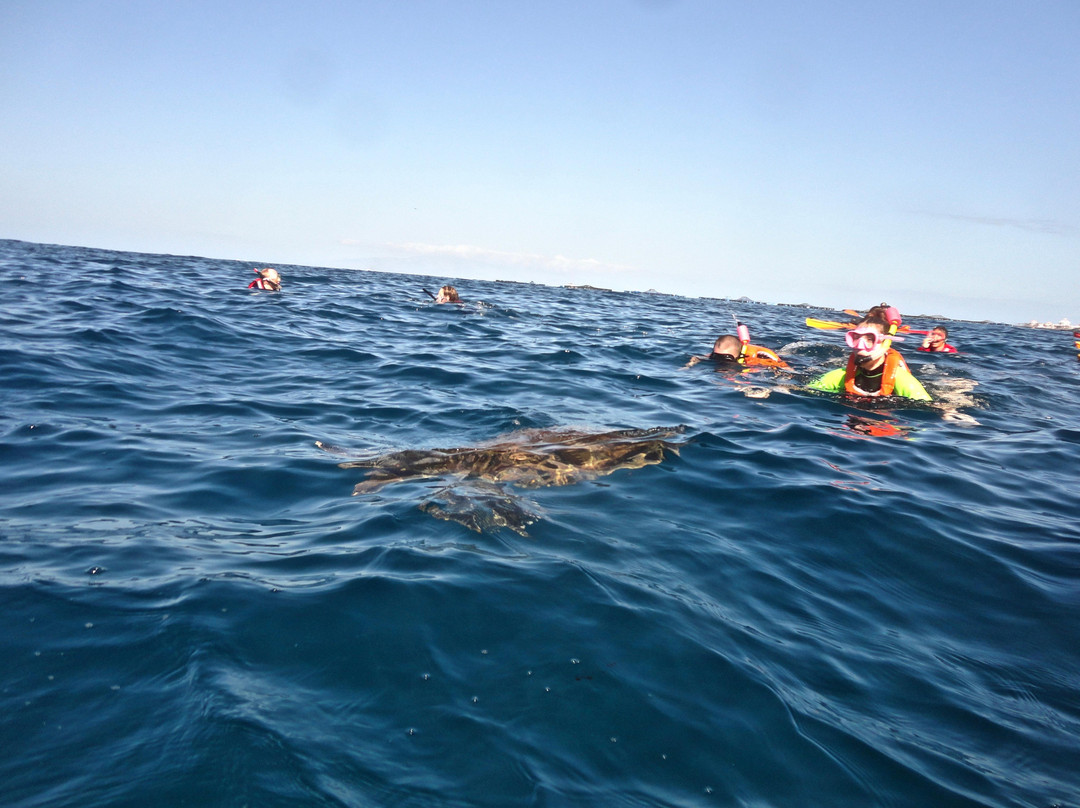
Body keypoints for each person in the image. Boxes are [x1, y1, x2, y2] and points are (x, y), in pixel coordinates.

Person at [808, 312, 931, 400]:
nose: (860, 345)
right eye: (855, 338)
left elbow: (930, 409)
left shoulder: (900, 379)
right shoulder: (842, 376)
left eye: (870, 339)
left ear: (884, 343)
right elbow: (805, 391)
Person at [685, 333, 789, 369]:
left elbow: (786, 369)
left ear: (739, 356)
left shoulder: (757, 360)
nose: (718, 361)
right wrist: (689, 365)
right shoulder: (716, 355)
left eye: (724, 358)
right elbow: (698, 357)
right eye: (715, 356)